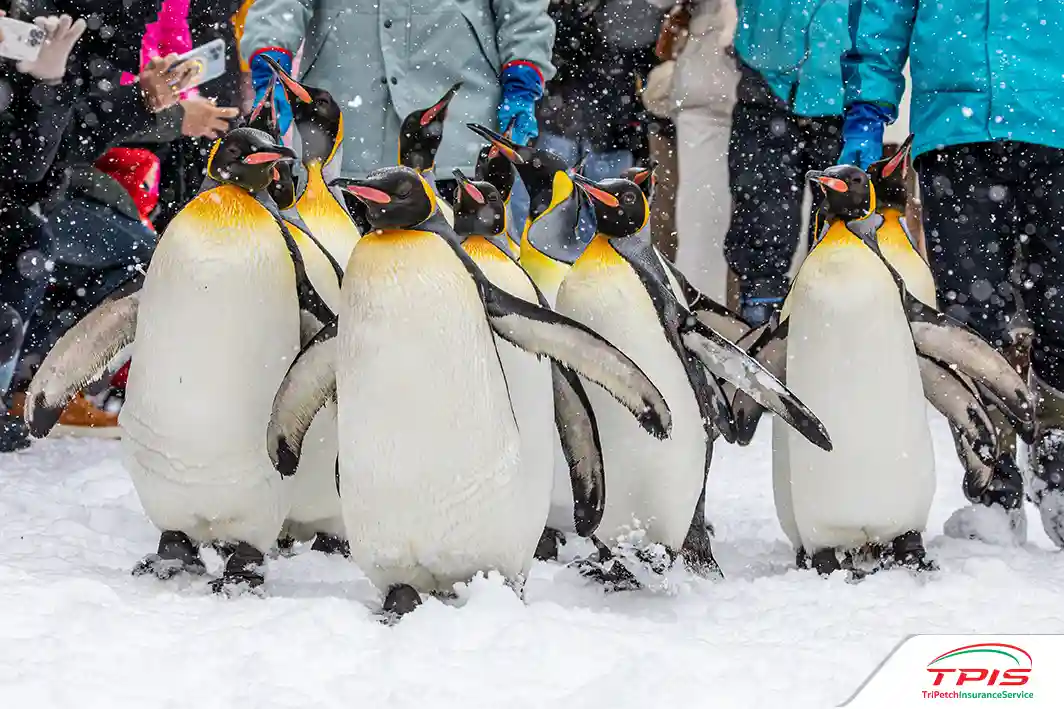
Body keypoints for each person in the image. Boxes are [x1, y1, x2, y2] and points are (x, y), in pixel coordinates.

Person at [842, 0, 1064, 546]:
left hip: (1055, 122)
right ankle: (992, 487)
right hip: (955, 134)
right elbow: (882, 12)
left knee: (1062, 310)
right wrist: (867, 108)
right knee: (969, 322)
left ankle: (1058, 462)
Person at [0, 1, 238, 450]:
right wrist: (160, 113)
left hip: (46, 189)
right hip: (35, 200)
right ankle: (43, 381)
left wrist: (147, 99)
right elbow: (45, 146)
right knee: (131, 257)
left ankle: (39, 381)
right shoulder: (62, 16)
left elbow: (59, 132)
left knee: (143, 253)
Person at [239, 0, 556, 180]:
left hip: (460, 135)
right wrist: (271, 65)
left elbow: (523, 12)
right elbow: (279, 6)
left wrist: (522, 81)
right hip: (340, 136)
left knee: (466, 287)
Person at [723, 0, 847, 326]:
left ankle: (831, 330)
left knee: (842, 238)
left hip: (845, 93)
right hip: (766, 86)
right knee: (764, 222)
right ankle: (760, 325)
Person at [510, 0, 659, 240]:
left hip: (609, 128)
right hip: (563, 122)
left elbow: (640, 44)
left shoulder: (626, 11)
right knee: (541, 218)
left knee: (615, 227)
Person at [646, 0, 738, 302]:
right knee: (700, 225)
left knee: (777, 231)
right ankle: (699, 321)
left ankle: (752, 319)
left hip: (792, 94)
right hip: (710, 94)